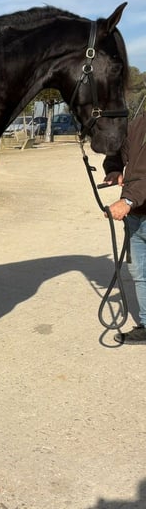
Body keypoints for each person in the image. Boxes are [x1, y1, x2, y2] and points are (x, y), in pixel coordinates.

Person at [103, 112, 146, 344]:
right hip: (136, 216)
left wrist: (128, 200)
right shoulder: (138, 119)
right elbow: (119, 149)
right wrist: (114, 168)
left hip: (133, 204)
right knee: (139, 273)